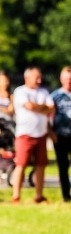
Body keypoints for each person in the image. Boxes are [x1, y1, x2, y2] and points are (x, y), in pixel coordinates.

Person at [12, 66, 55, 204]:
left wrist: (39, 108)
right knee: (21, 164)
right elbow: (29, 106)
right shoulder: (20, 91)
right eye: (36, 77)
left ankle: (39, 195)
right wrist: (43, 108)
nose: (39, 80)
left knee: (41, 165)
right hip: (25, 135)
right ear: (27, 78)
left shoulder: (44, 91)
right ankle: (16, 196)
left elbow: (51, 108)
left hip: (41, 134)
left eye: (40, 77)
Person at [50, 66, 71, 202]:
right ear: (61, 79)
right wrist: (51, 132)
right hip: (61, 135)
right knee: (63, 166)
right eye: (67, 79)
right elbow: (48, 115)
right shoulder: (55, 96)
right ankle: (66, 195)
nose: (69, 81)